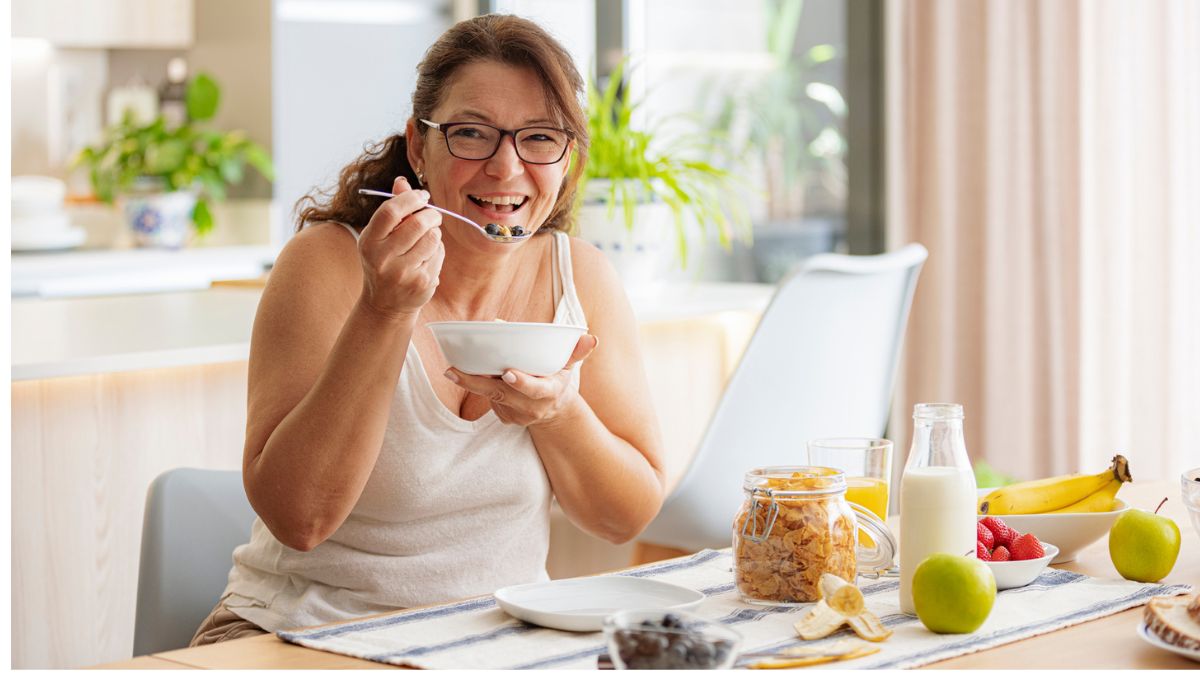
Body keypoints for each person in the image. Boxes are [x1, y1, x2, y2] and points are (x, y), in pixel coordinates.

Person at [190, 14, 666, 645]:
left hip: (492, 645)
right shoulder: (327, 265)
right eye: (471, 134)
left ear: (568, 158)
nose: (505, 168)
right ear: (419, 145)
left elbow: (624, 518)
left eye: (539, 138)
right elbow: (298, 519)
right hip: (302, 637)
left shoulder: (581, 276)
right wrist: (383, 311)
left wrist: (558, 412)